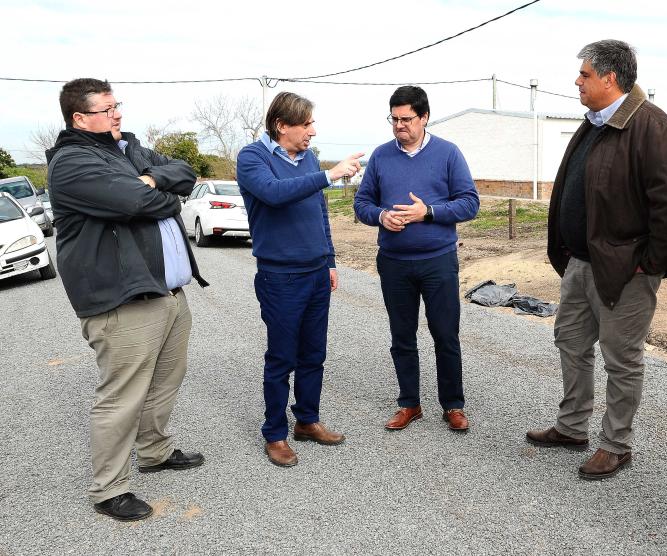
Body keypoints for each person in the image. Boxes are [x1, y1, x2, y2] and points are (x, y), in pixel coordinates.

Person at [526, 40, 667, 480]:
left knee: (621, 358)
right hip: (580, 263)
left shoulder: (650, 126)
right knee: (571, 343)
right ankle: (571, 427)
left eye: (584, 75)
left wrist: (649, 263)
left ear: (610, 79)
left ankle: (616, 444)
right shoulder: (594, 124)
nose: (577, 82)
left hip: (626, 270)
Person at [46, 78, 209, 521]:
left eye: (118, 105)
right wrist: (157, 193)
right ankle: (109, 489)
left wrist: (151, 179)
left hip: (169, 294)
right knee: (122, 396)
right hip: (124, 300)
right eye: (107, 109)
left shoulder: (128, 148)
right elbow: (138, 202)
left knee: (164, 382)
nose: (118, 114)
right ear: (80, 118)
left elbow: (185, 173)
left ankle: (155, 451)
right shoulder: (71, 162)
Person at [236, 91, 363, 467]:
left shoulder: (308, 158)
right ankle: (275, 433)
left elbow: (319, 213)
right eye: (306, 124)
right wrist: (329, 175)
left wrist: (330, 260)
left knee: (313, 354)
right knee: (282, 357)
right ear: (281, 126)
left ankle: (307, 420)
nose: (312, 131)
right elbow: (275, 195)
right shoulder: (252, 157)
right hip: (281, 276)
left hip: (315, 273)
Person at [354, 86, 479, 433]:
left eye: (406, 119)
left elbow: (470, 202)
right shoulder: (380, 157)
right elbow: (362, 203)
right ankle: (409, 403)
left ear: (424, 117)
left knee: (445, 335)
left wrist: (429, 213)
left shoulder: (448, 154)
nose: (399, 126)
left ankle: (453, 405)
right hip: (393, 262)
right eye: (393, 119)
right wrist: (381, 217)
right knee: (402, 336)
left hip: (438, 260)